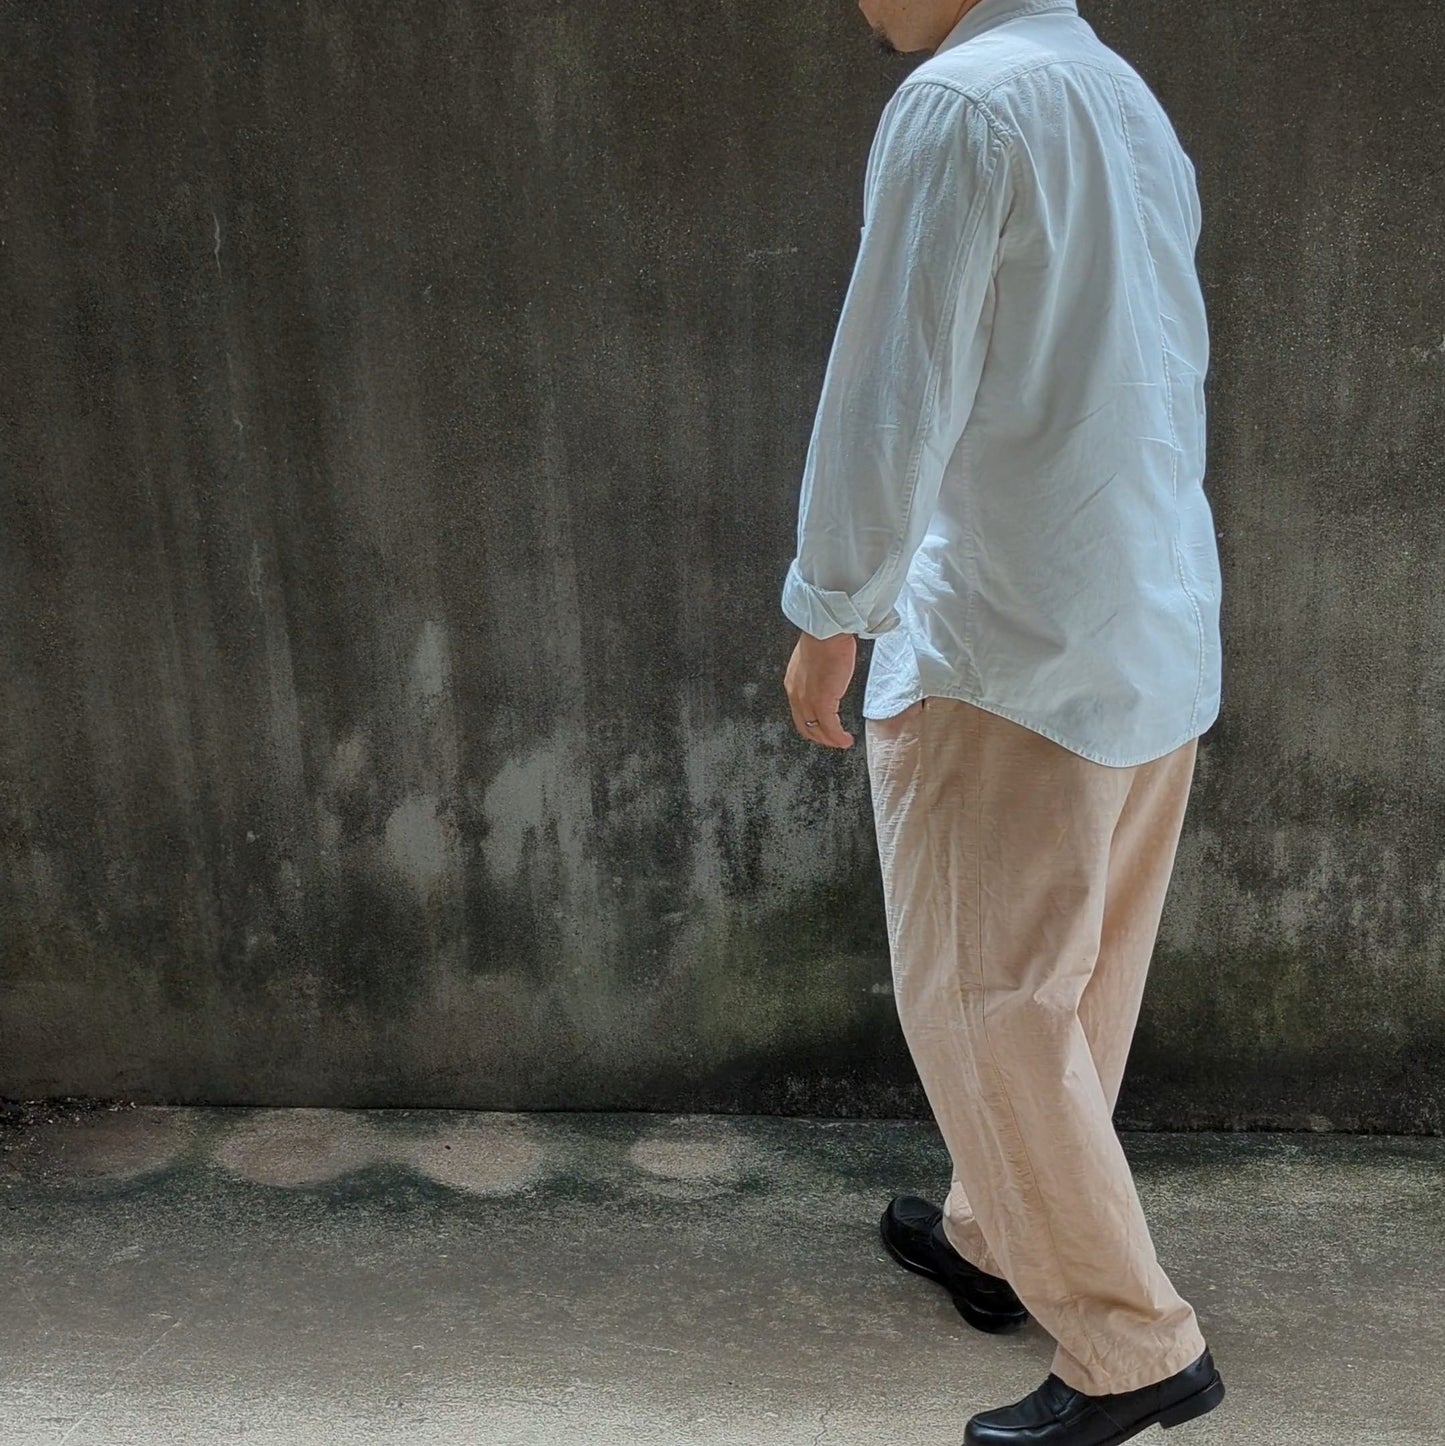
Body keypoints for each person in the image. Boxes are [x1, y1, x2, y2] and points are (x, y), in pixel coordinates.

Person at [780, 1, 1226, 1441]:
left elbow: (895, 385)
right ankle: (993, 1237)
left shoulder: (962, 105)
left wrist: (832, 606)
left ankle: (1130, 1346)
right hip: (1145, 620)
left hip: (1008, 640)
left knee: (985, 1000)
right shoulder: (1117, 95)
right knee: (1070, 985)